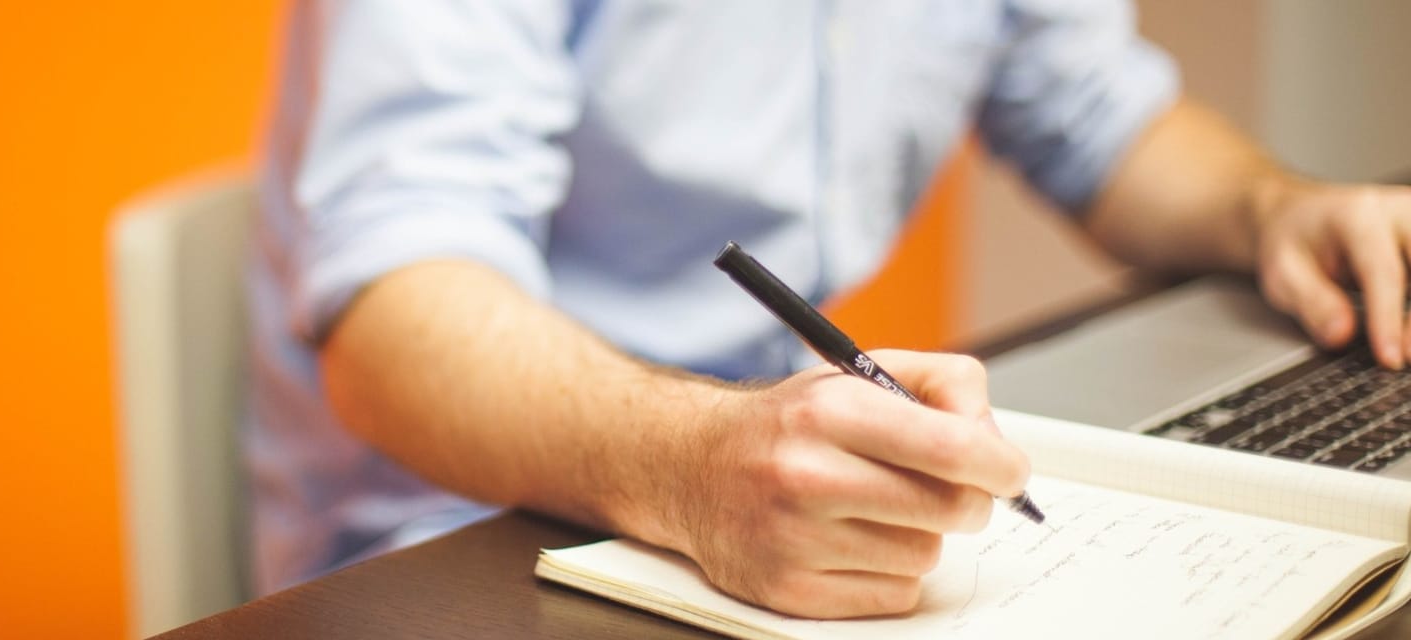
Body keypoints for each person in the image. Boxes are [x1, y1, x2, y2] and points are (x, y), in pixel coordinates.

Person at [243, 0, 1411, 617]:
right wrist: (693, 463)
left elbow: (1095, 113)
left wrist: (1271, 209)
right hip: (462, 537)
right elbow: (393, 309)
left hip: (764, 482)